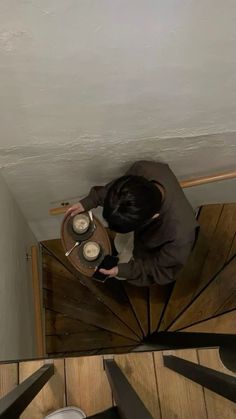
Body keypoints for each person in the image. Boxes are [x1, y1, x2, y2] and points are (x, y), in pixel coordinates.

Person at [66, 160, 198, 286]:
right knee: (121, 244)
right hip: (141, 235)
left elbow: (161, 269)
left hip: (150, 251)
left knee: (124, 258)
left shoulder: (181, 236)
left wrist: (123, 271)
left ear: (154, 217)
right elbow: (115, 190)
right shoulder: (145, 169)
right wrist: (90, 201)